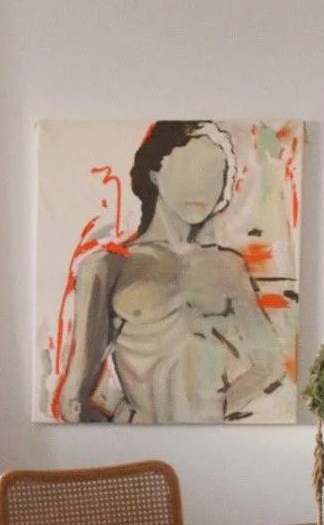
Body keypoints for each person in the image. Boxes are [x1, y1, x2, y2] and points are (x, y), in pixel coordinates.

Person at [59, 120, 288, 424]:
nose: (201, 186)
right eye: (187, 170)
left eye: (213, 175)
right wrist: (123, 435)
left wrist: (211, 413)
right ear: (154, 174)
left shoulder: (228, 266)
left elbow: (269, 366)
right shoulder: (108, 267)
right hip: (137, 440)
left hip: (211, 441)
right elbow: (73, 402)